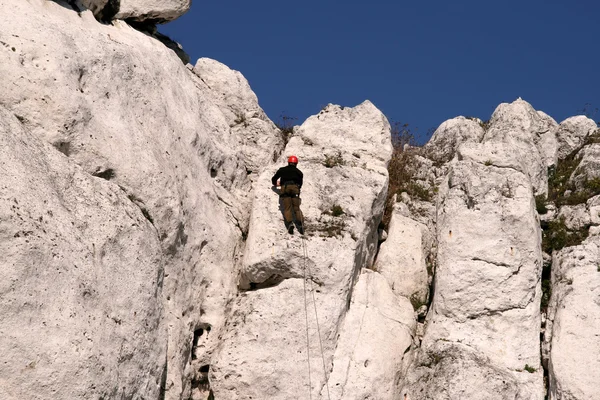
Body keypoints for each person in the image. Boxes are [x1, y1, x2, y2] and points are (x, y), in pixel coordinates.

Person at [271, 155, 304, 234]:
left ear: (288, 162)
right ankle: (300, 224)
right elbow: (300, 184)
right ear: (296, 163)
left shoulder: (282, 170)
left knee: (287, 208)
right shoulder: (299, 172)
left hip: (285, 188)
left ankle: (289, 224)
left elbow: (274, 179)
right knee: (296, 208)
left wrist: (276, 184)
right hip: (295, 189)